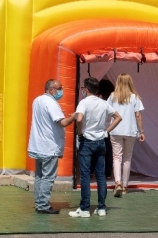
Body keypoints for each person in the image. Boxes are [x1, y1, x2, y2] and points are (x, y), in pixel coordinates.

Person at [69, 77, 122, 218]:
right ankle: (101, 207)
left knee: (85, 175)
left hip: (87, 140)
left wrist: (80, 132)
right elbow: (118, 117)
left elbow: (79, 118)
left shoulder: (84, 102)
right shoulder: (104, 103)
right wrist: (106, 131)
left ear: (86, 89)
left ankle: (85, 208)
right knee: (101, 175)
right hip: (100, 140)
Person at [27, 79, 76, 214]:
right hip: (48, 146)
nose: (61, 91)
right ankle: (43, 205)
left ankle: (39, 202)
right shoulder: (51, 103)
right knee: (48, 177)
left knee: (39, 176)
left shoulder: (37, 100)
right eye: (59, 88)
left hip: (38, 145)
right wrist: (74, 117)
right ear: (50, 90)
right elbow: (62, 122)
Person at [107, 73, 145, 198]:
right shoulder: (134, 97)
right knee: (127, 158)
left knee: (116, 157)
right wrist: (141, 131)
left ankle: (117, 183)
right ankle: (124, 186)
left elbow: (107, 111)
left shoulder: (113, 96)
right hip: (130, 130)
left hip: (115, 130)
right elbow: (138, 116)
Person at [97, 79, 115, 179]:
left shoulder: (98, 100)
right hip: (111, 128)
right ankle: (108, 172)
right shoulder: (113, 99)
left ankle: (92, 170)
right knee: (109, 151)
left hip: (99, 128)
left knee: (96, 151)